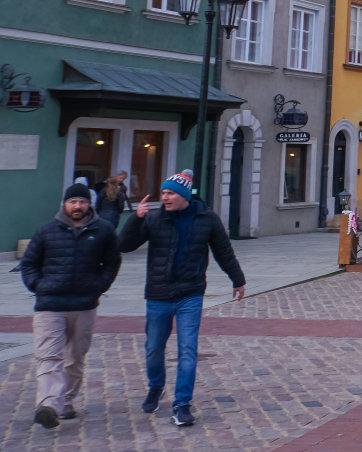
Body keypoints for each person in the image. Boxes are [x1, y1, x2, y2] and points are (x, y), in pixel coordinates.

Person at [119, 172, 245, 427]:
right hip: (158, 294)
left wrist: (237, 279)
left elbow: (223, 251)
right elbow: (124, 245)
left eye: (170, 193)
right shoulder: (154, 218)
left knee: (188, 350)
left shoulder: (206, 219)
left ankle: (182, 404)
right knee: (154, 349)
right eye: (163, 193)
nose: (164, 197)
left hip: (191, 294)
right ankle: (156, 387)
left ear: (184, 195)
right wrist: (136, 218)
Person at [20, 183, 121, 429]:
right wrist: (39, 286)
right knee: (49, 356)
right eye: (73, 201)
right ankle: (48, 405)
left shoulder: (103, 231)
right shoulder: (46, 231)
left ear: (90, 204)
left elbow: (112, 262)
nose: (77, 206)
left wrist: (99, 285)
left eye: (82, 201)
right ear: (64, 204)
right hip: (49, 305)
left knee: (75, 359)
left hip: (84, 305)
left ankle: (65, 401)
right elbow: (29, 263)